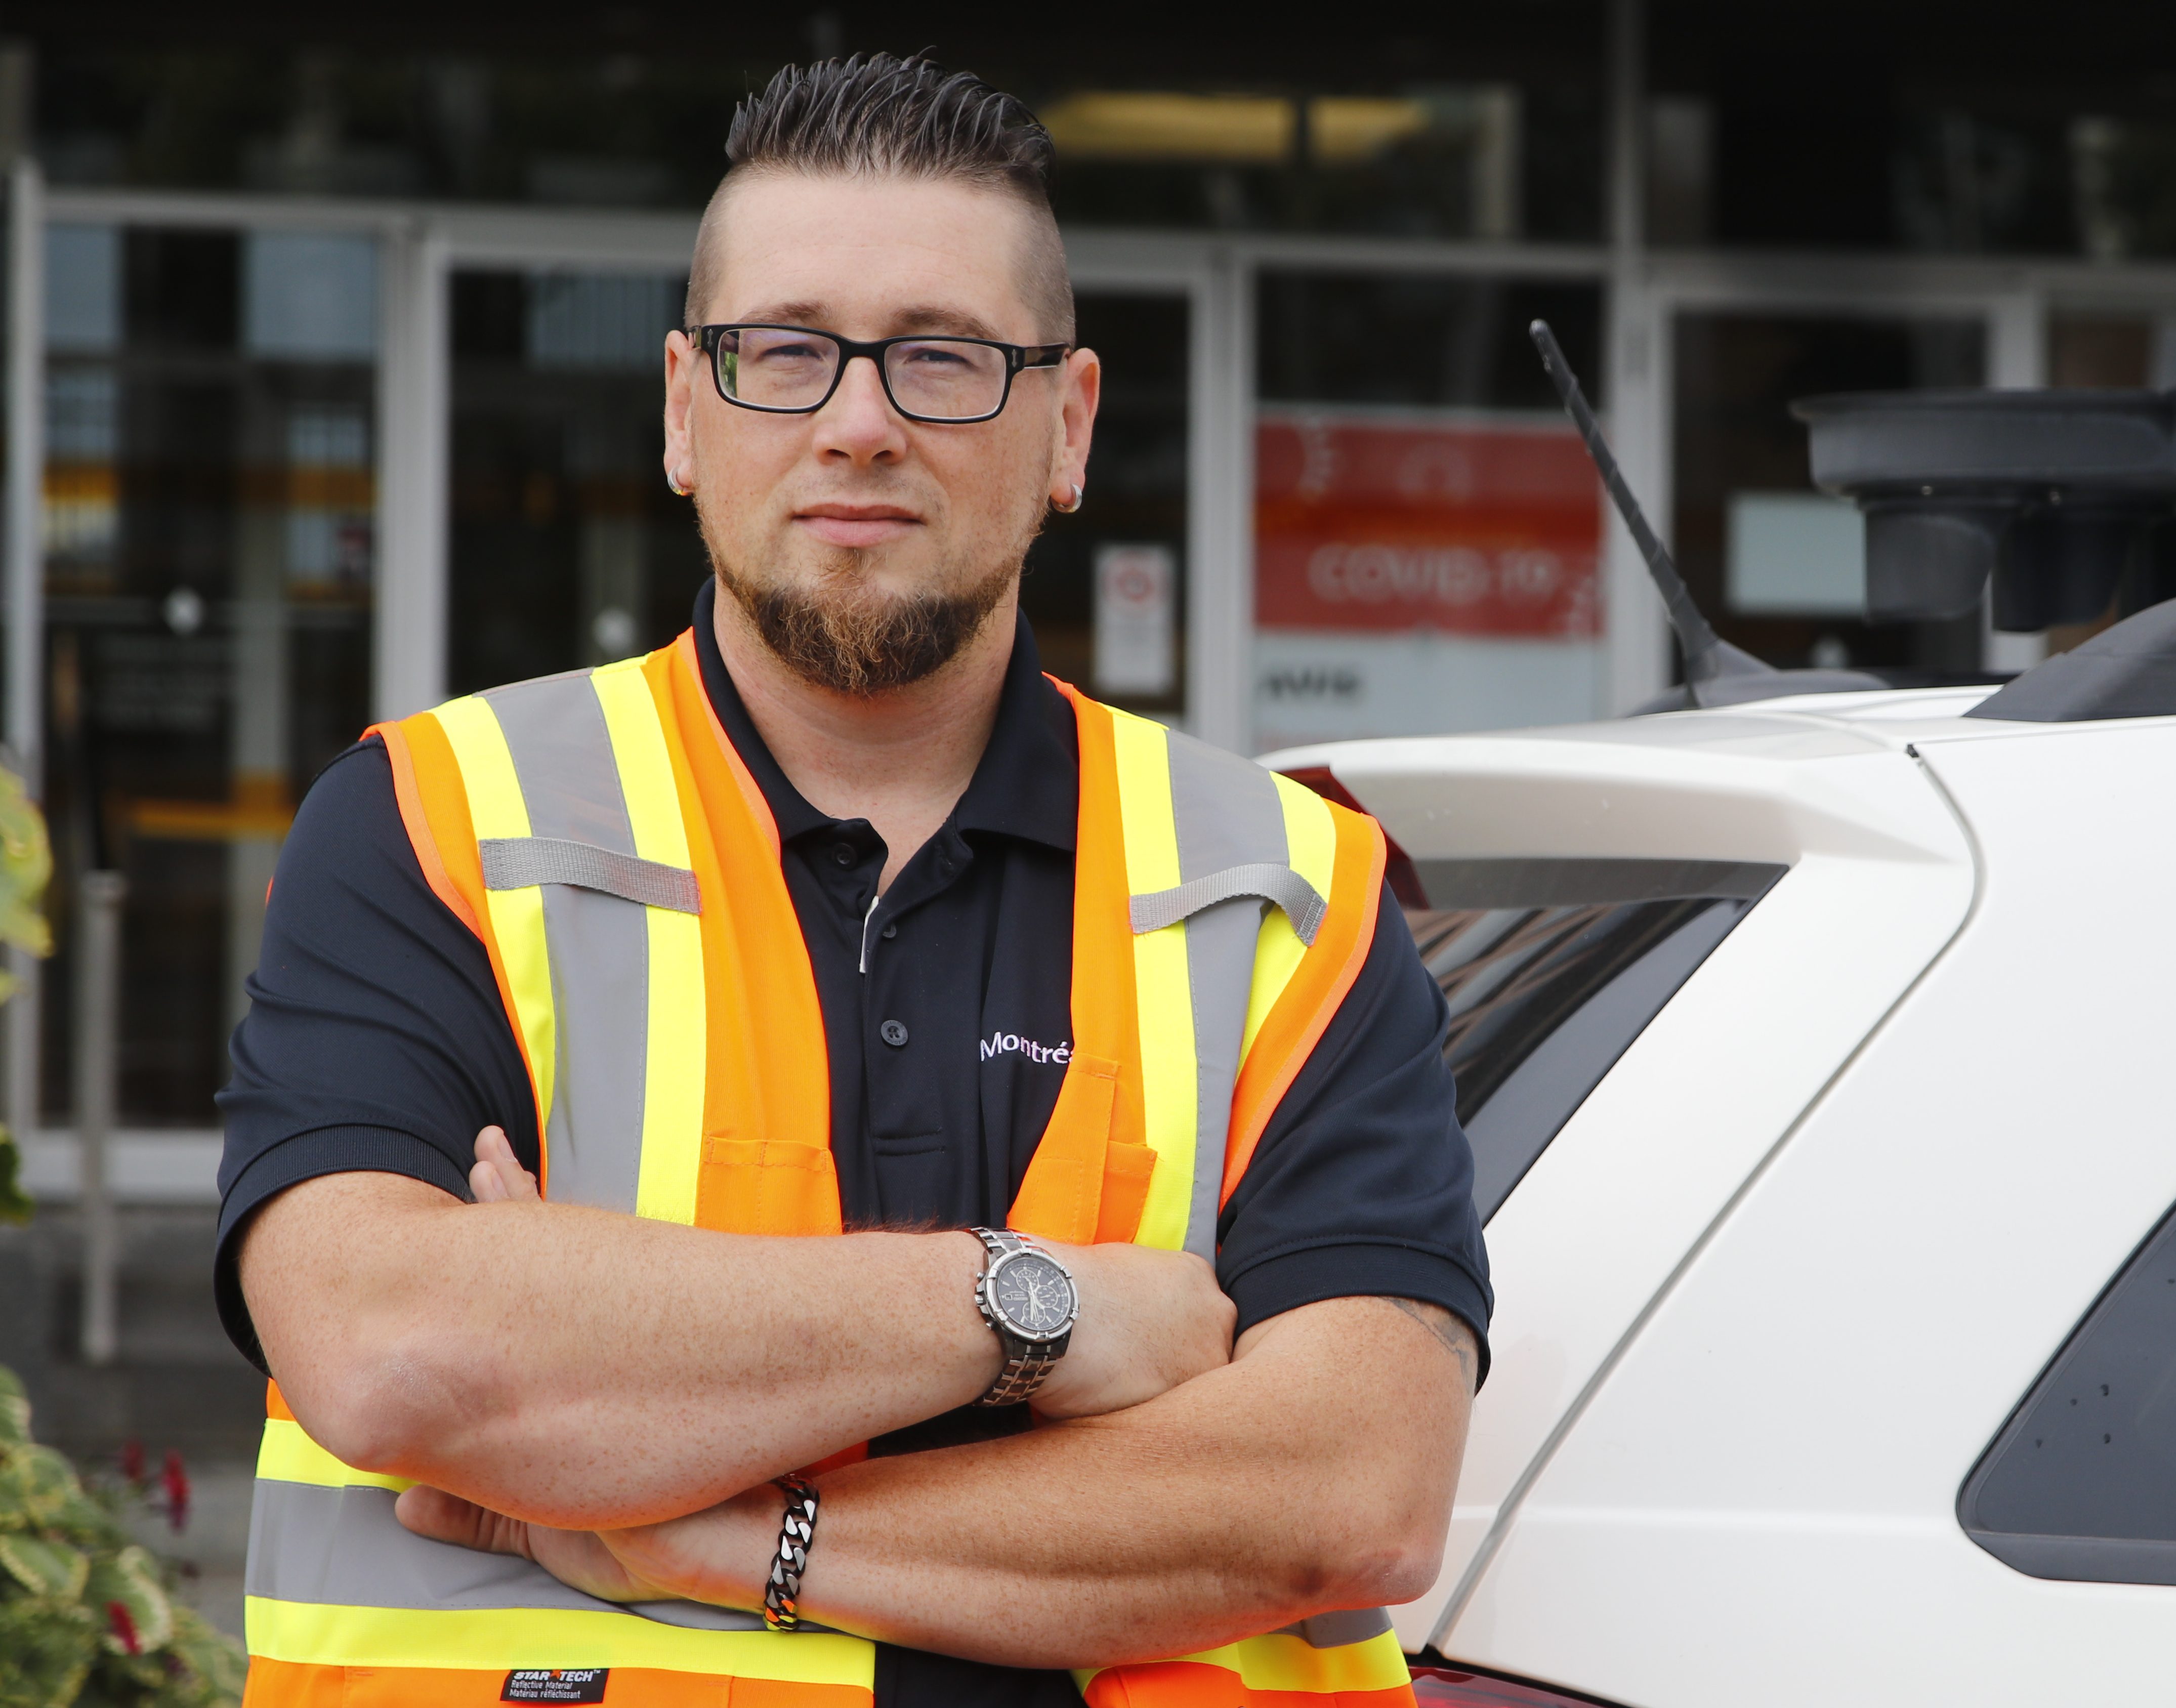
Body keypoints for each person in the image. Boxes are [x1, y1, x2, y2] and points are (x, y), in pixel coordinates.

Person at [214, 53, 1488, 1708]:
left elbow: (1352, 1496)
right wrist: (1040, 1307)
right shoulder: (435, 824)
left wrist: (715, 1533)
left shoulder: (1289, 891)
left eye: (944, 358)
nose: (860, 424)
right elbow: (398, 1352)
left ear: (1069, 426)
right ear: (686, 408)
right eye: (786, 353)